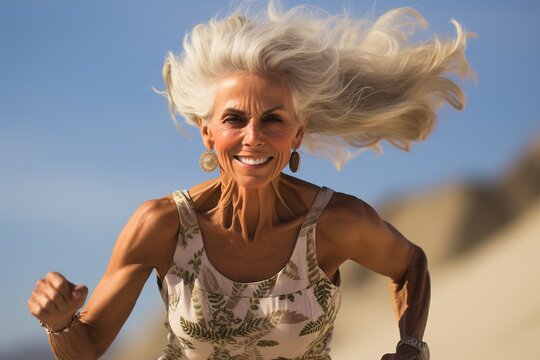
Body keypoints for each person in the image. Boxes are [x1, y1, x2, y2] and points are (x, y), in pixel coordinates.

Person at [28, 2, 473, 359]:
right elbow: (84, 348)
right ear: (207, 131)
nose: (253, 138)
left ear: (298, 132)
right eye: (234, 119)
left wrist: (411, 347)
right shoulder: (162, 226)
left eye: (273, 119)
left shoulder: (336, 223)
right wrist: (62, 322)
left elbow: (411, 265)